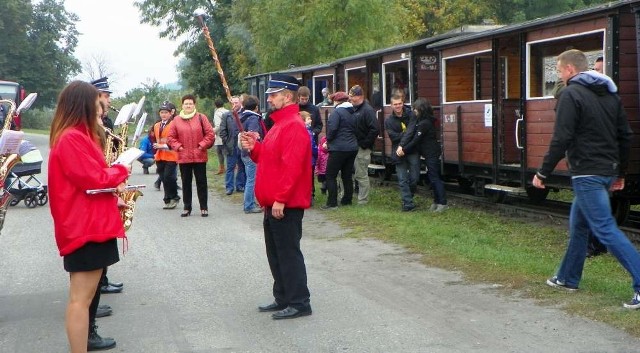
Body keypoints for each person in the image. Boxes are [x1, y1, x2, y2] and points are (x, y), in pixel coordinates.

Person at [532, 49, 640, 309]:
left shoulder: (571, 94)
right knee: (579, 227)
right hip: (605, 171)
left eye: (559, 71)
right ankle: (567, 278)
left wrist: (542, 172)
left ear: (570, 70)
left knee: (605, 229)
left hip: (587, 173)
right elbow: (625, 136)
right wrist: (621, 172)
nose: (559, 76)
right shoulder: (610, 96)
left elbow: (562, 137)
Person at [48, 80, 132, 352]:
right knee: (80, 301)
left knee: (82, 299)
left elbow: (89, 182)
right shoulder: (72, 138)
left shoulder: (74, 136)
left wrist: (112, 195)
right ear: (83, 105)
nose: (101, 108)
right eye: (97, 104)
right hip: (85, 227)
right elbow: (93, 179)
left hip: (88, 224)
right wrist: (121, 170)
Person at [239, 74, 312, 320]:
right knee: (276, 254)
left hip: (285, 205)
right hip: (273, 204)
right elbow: (269, 160)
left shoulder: (293, 125)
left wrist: (281, 198)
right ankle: (283, 297)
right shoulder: (278, 124)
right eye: (269, 94)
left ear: (287, 96)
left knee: (288, 254)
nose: (269, 99)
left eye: (273, 94)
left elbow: (292, 167)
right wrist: (254, 147)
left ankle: (299, 302)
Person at [90, 78, 123, 297]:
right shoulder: (91, 126)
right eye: (106, 96)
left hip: (108, 180)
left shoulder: (106, 121)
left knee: (106, 240)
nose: (109, 100)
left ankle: (102, 280)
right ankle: (97, 286)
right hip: (100, 185)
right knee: (97, 242)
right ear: (97, 96)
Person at [167, 94, 215, 217]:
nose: (188, 105)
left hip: (200, 156)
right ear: (182, 105)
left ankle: (204, 207)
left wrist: (201, 146)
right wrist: (179, 147)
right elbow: (171, 138)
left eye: (190, 103)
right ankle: (187, 207)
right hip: (184, 157)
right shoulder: (176, 120)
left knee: (201, 182)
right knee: (186, 183)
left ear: (194, 105)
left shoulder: (201, 117)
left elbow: (210, 134)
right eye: (186, 103)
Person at [401, 98, 448, 212]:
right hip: (429, 153)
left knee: (434, 178)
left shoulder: (424, 124)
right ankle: (436, 201)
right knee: (432, 177)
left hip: (431, 153)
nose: (414, 111)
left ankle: (442, 202)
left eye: (415, 109)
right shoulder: (426, 121)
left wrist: (404, 149)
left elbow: (416, 140)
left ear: (421, 109)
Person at [322, 91, 358, 210]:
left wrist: (328, 141)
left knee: (330, 175)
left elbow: (332, 130)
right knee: (347, 175)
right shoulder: (353, 112)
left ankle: (332, 203)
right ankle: (347, 200)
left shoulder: (337, 113)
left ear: (336, 101)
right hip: (352, 148)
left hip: (338, 148)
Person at [385, 94, 420, 211]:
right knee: (402, 179)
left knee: (415, 177)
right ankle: (408, 204)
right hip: (398, 152)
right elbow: (393, 137)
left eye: (400, 103)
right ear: (391, 105)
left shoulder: (411, 114)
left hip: (412, 149)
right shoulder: (388, 120)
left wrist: (402, 141)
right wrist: (405, 135)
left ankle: (408, 197)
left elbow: (413, 133)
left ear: (403, 103)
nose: (398, 106)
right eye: (395, 104)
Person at [349, 85, 379, 205]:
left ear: (360, 96)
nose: (350, 98)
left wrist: (365, 144)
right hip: (353, 146)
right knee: (354, 173)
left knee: (361, 174)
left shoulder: (367, 110)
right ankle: (354, 196)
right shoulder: (355, 109)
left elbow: (375, 129)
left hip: (362, 148)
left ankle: (363, 200)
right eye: (350, 96)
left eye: (353, 96)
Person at [152, 103, 180, 209]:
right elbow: (154, 138)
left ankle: (173, 197)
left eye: (166, 113)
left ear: (170, 113)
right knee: (163, 178)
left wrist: (161, 145)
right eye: (162, 112)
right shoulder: (156, 125)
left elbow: (175, 141)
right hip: (160, 155)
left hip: (171, 155)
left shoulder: (174, 124)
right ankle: (168, 198)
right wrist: (155, 147)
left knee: (169, 177)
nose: (163, 115)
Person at [240, 95, 264, 214]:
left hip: (243, 152)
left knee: (249, 179)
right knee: (252, 180)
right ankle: (249, 205)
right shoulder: (253, 119)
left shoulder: (242, 117)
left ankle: (249, 202)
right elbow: (253, 135)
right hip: (251, 153)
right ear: (256, 107)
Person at [219, 95, 246, 195]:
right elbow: (222, 131)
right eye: (232, 103)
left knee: (241, 166)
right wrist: (227, 141)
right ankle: (229, 187)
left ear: (240, 103)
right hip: (231, 146)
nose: (234, 105)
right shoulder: (227, 115)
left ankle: (240, 185)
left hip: (241, 145)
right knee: (230, 167)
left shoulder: (244, 114)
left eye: (236, 102)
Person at [300, 111, 318, 201]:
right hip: (309, 159)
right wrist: (317, 152)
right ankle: (309, 197)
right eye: (308, 119)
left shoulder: (300, 130)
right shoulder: (307, 131)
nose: (310, 120)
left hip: (302, 159)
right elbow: (312, 146)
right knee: (309, 179)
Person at [212, 98, 228, 175]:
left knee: (220, 152)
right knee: (228, 152)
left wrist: (211, 131)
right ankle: (233, 166)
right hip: (228, 135)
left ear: (215, 105)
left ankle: (222, 168)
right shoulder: (227, 111)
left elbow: (218, 126)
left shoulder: (217, 113)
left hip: (220, 136)